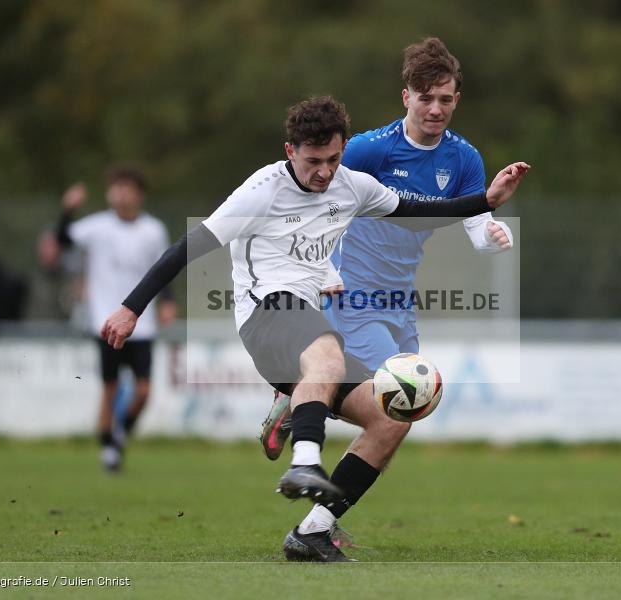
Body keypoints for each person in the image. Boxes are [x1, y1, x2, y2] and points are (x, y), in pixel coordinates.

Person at [100, 96, 530, 561]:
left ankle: (312, 531)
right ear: (290, 151)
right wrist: (131, 307)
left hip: (305, 317)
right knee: (326, 350)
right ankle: (304, 461)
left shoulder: (353, 185)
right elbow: (191, 244)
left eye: (333, 158)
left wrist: (484, 201)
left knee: (391, 415)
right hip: (264, 312)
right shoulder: (262, 190)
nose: (324, 172)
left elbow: (413, 214)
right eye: (313, 161)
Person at [259, 37, 514, 461]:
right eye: (426, 97)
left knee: (405, 407)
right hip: (351, 291)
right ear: (406, 97)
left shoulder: (464, 158)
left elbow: (477, 228)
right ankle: (320, 502)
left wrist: (494, 235)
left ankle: (300, 397)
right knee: (396, 402)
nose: (436, 108)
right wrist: (319, 270)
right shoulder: (369, 149)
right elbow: (314, 205)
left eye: (445, 99)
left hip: (399, 297)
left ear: (457, 100)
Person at [56, 167, 177, 472]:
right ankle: (109, 448)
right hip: (106, 320)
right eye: (116, 188)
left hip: (143, 322)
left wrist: (169, 302)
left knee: (144, 390)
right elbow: (63, 240)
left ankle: (120, 430)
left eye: (127, 188)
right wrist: (68, 209)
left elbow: (165, 266)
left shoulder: (153, 230)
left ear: (139, 194)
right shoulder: (97, 227)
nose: (121, 194)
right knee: (109, 388)